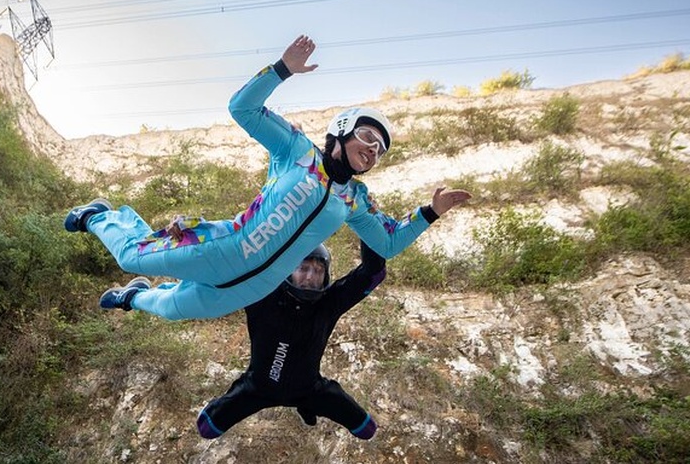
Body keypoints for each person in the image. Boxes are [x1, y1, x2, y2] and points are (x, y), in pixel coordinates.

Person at [65, 34, 471, 320]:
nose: (372, 149)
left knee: (171, 309)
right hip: (221, 250)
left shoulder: (355, 199)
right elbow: (242, 109)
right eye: (367, 136)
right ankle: (100, 216)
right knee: (128, 254)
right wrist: (281, 70)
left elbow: (387, 242)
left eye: (380, 149)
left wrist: (429, 213)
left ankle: (134, 297)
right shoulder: (297, 151)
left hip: (255, 287)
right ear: (342, 130)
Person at [196, 240, 384, 440]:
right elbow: (220, 267)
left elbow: (374, 273)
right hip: (258, 388)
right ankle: (306, 408)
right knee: (206, 428)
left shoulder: (330, 303)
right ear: (289, 271)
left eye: (318, 270)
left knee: (367, 430)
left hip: (309, 390)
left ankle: (306, 406)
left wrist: (366, 217)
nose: (310, 277)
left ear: (325, 276)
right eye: (303, 268)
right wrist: (184, 234)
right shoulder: (263, 294)